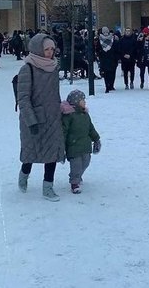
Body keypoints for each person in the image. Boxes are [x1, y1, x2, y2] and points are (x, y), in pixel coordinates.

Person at [17, 33, 65, 201]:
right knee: (31, 153)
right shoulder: (27, 69)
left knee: (52, 154)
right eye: (46, 49)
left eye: (52, 49)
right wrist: (31, 121)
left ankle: (48, 188)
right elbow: (23, 98)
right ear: (38, 49)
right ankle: (24, 175)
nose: (50, 52)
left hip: (53, 118)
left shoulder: (53, 67)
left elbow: (54, 94)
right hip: (34, 119)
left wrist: (62, 109)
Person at [61, 90, 101, 194]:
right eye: (82, 100)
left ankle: (78, 176)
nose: (85, 102)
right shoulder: (68, 116)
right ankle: (74, 183)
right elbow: (64, 131)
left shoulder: (85, 114)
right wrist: (62, 145)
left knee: (86, 162)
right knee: (76, 165)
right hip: (73, 146)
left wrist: (96, 139)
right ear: (76, 102)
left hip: (85, 145)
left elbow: (91, 128)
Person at [97, 26, 118, 93]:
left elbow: (97, 49)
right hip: (112, 58)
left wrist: (99, 55)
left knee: (106, 73)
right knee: (112, 73)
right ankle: (111, 85)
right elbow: (116, 48)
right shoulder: (112, 38)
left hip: (104, 59)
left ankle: (107, 86)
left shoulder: (100, 39)